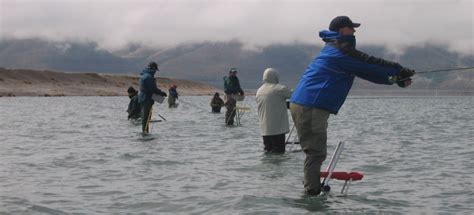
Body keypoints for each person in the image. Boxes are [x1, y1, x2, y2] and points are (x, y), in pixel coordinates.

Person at [290, 16, 415, 196]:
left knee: (315, 151)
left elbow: (365, 71)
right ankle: (312, 196)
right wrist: (398, 68)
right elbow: (367, 62)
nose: (355, 31)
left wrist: (395, 79)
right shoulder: (340, 51)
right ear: (342, 30)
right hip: (310, 105)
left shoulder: (336, 48)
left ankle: (311, 186)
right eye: (351, 28)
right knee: (315, 152)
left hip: (307, 103)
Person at [256, 68, 292, 153]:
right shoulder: (279, 89)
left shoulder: (259, 91)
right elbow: (296, 95)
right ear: (275, 76)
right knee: (279, 154)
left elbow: (273, 103)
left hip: (265, 130)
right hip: (277, 130)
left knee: (268, 152)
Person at [138, 62, 167, 134]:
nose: (155, 72)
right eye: (155, 70)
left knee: (145, 117)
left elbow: (149, 90)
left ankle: (145, 131)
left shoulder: (144, 75)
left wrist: (159, 95)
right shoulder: (149, 77)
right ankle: (145, 133)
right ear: (153, 69)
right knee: (146, 117)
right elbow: (153, 89)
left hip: (143, 98)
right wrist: (161, 93)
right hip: (146, 99)